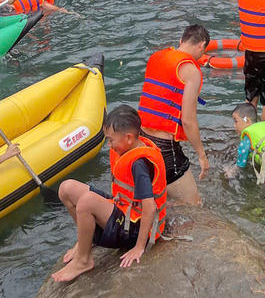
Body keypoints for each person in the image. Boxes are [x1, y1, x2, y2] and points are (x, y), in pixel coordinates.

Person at [51, 105, 166, 283]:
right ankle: (85, 243)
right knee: (66, 188)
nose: (109, 145)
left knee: (87, 201)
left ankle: (83, 260)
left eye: (111, 140)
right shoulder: (128, 148)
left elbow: (149, 208)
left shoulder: (139, 164)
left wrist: (139, 247)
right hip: (123, 210)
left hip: (135, 227)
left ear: (128, 138)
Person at [137, 23, 212, 205]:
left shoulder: (156, 57)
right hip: (163, 148)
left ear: (181, 40)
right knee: (194, 205)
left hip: (140, 140)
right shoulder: (190, 70)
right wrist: (202, 155)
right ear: (201, 46)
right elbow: (187, 121)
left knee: (159, 198)